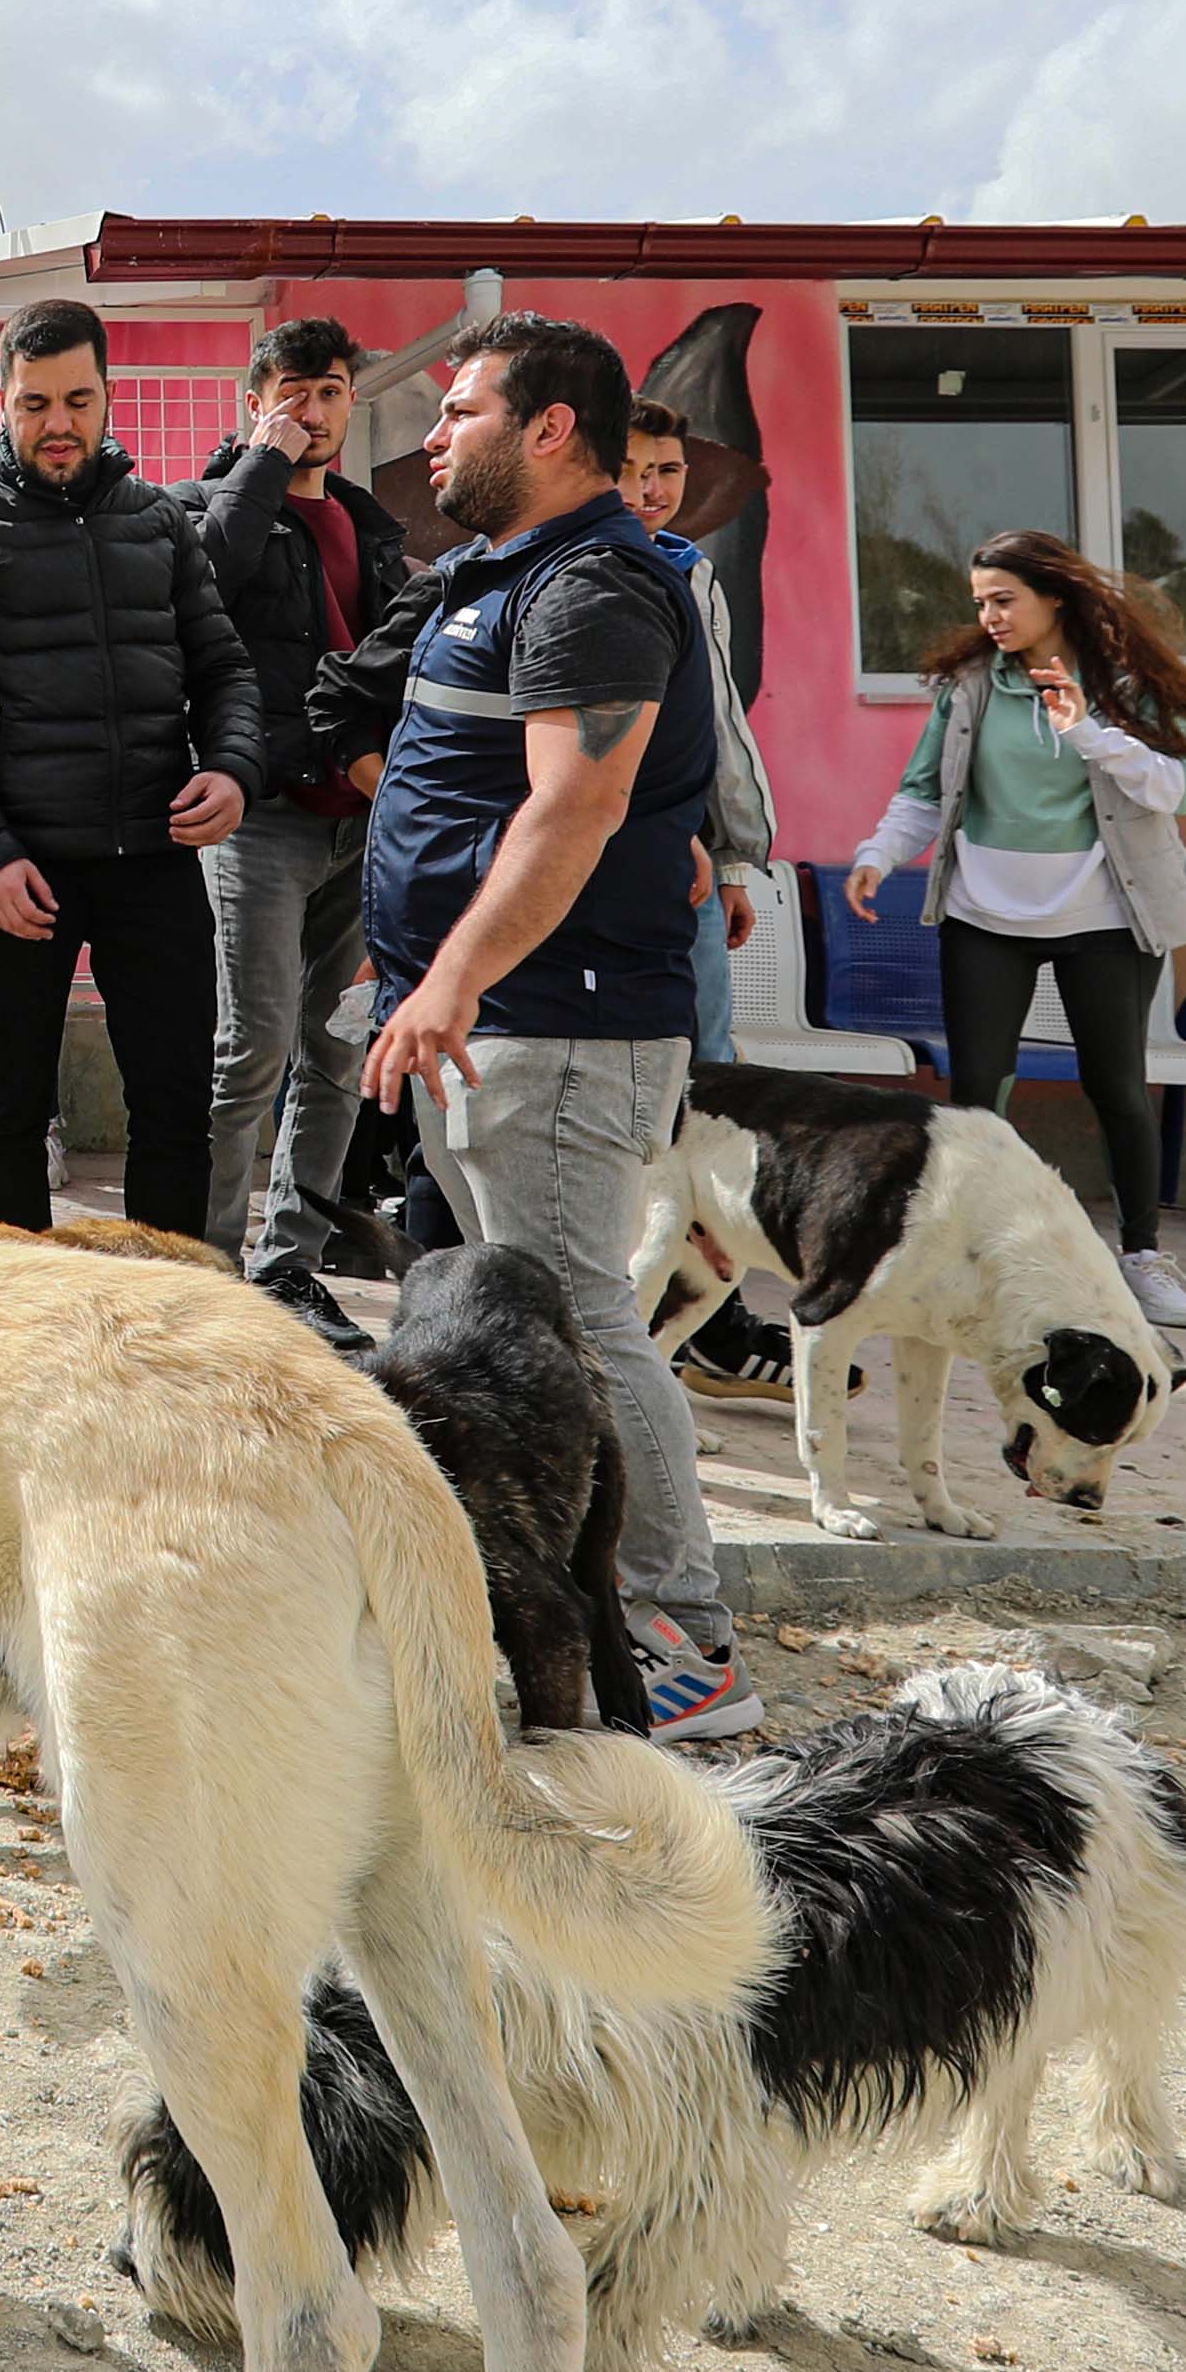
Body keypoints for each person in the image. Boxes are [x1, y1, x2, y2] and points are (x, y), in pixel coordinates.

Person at [334, 311, 743, 1740]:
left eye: (458, 411)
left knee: (578, 1319)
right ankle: (510, 1605)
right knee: (499, 1323)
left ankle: (685, 1638)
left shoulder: (590, 588)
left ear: (548, 427)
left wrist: (452, 978)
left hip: (551, 1024)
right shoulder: (502, 576)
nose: (431, 436)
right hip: (482, 1015)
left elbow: (578, 803)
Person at [0, 299, 262, 1237]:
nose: (59, 423)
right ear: (2, 406)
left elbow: (224, 669)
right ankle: (23, 1338)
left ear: (107, 397)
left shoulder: (162, 525)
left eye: (79, 400)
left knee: (176, 1111)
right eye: (35, 403)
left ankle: (169, 1320)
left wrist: (231, 770)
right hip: (20, 875)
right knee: (9, 1114)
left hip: (155, 860)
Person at [848, 529, 1186, 1335]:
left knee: (1117, 1085)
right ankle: (963, 1248)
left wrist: (1089, 728)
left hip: (1105, 915)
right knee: (979, 1090)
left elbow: (1181, 789)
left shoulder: (1124, 683)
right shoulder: (971, 687)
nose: (989, 616)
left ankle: (1144, 1256)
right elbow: (923, 791)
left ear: (1055, 596)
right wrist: (879, 854)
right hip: (985, 912)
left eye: (1004, 599)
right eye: (980, 602)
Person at [190, 315, 408, 1290]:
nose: (310, 413)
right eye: (290, 394)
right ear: (254, 402)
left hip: (360, 824)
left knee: (334, 1050)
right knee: (253, 1046)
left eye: (326, 393)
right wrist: (262, 462)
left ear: (349, 401)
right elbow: (201, 581)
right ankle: (201, 1262)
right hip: (264, 818)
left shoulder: (374, 528)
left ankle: (289, 1266)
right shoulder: (213, 501)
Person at [619, 394, 792, 1392]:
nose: (652, 490)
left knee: (707, 1082)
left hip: (688, 868)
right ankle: (632, 1312)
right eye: (635, 469)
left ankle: (710, 1315)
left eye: (668, 473)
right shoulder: (570, 567)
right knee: (624, 1093)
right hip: (604, 864)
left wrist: (729, 860)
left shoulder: (692, 572)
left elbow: (719, 726)